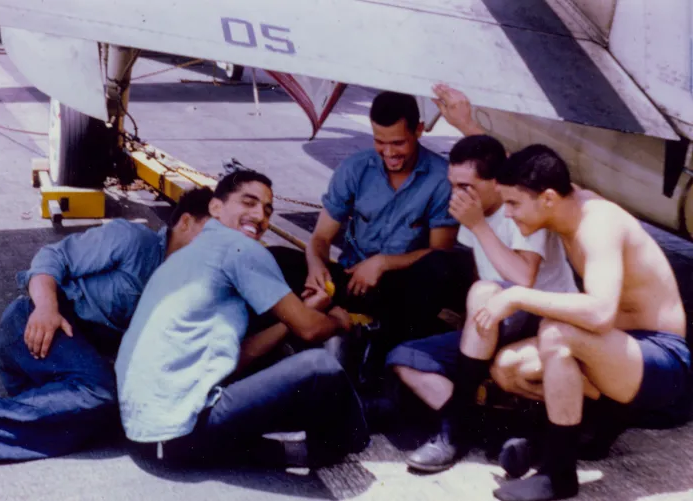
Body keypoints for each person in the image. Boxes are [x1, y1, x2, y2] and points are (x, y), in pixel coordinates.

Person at [472, 145, 691, 501]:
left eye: (513, 205)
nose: (508, 214)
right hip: (616, 352)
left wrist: (516, 297)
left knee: (558, 334)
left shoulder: (597, 224)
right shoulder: (561, 205)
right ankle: (592, 427)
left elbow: (601, 313)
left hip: (662, 360)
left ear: (546, 198)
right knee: (508, 368)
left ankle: (558, 473)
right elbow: (526, 165)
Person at [0, 187, 215, 466]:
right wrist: (47, 307)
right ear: (186, 222)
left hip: (65, 379)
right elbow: (51, 258)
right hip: (36, 333)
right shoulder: (132, 240)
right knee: (99, 394)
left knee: (104, 419)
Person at [115, 170, 369, 469]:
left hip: (146, 438)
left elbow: (235, 355)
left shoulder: (192, 253)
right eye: (248, 202)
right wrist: (338, 320)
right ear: (215, 208)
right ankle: (361, 426)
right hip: (180, 432)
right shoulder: (239, 248)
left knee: (282, 370)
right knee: (320, 366)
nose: (260, 215)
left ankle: (291, 451)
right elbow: (311, 329)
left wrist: (293, 317)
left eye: (267, 209)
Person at [386, 132, 578, 473]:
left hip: (539, 316)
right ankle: (487, 429)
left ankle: (454, 430)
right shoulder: (475, 212)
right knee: (404, 359)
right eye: (453, 184)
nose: (457, 195)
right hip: (495, 321)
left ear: (495, 183)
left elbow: (522, 278)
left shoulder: (520, 209)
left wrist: (477, 225)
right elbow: (482, 269)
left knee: (486, 293)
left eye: (466, 186)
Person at [267, 89, 476, 376]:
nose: (389, 153)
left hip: (402, 290)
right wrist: (316, 266)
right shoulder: (355, 168)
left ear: (418, 130)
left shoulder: (441, 178)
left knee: (439, 270)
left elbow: (440, 251)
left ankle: (379, 349)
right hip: (351, 281)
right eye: (380, 142)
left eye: (398, 143)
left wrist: (383, 262)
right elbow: (320, 238)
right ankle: (296, 334)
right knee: (273, 259)